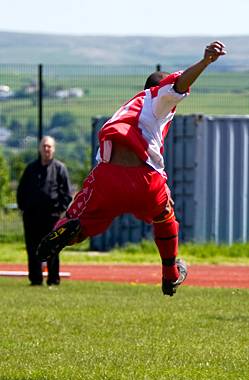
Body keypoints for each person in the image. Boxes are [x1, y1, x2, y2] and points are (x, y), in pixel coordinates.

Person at [36, 41, 227, 296]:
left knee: (82, 220)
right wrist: (204, 62)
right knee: (164, 213)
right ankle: (170, 274)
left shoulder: (125, 109)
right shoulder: (159, 98)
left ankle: (64, 231)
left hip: (107, 175)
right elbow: (179, 84)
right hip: (143, 178)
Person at [17, 135, 72, 286]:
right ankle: (35, 279)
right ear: (40, 149)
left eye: (49, 146)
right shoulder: (31, 169)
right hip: (32, 217)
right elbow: (21, 191)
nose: (46, 149)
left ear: (53, 149)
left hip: (52, 217)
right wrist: (24, 208)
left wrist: (60, 211)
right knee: (33, 249)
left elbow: (67, 194)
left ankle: (53, 280)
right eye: (44, 146)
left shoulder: (60, 169)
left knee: (53, 248)